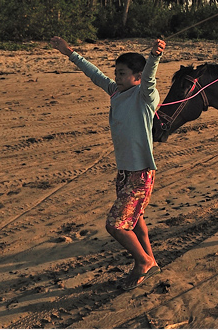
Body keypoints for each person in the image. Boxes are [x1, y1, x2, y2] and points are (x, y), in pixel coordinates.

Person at [49, 35, 166, 290]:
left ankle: (142, 261)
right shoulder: (116, 91)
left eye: (122, 74)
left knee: (115, 225)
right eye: (116, 73)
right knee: (135, 221)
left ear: (137, 76)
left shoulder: (145, 96)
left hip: (140, 175)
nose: (117, 77)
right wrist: (69, 52)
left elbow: (149, 78)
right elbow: (94, 73)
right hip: (124, 173)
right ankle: (151, 261)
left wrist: (154, 57)